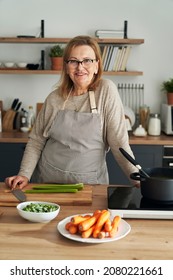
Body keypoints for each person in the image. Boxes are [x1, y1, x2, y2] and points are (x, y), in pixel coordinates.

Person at [5, 35, 138, 190]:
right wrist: (24, 174)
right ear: (67, 67)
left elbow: (119, 143)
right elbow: (36, 141)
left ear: (96, 66)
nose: (80, 67)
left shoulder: (106, 90)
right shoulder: (54, 98)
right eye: (73, 61)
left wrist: (137, 179)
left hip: (91, 186)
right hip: (48, 185)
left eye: (87, 60)